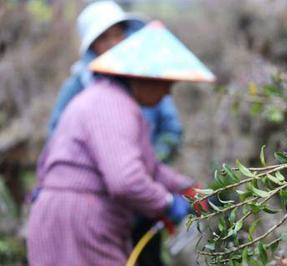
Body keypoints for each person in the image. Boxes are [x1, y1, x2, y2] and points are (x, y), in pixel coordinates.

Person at [27, 21, 215, 266]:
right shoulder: (112, 106)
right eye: (166, 83)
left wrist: (187, 188)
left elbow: (148, 167)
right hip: (77, 219)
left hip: (72, 216)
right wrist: (168, 204)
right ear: (144, 77)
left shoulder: (115, 102)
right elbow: (125, 181)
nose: (168, 92)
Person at [45, 2, 182, 265]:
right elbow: (58, 140)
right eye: (103, 37)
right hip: (100, 205)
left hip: (140, 199)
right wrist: (164, 200)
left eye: (118, 33)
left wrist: (174, 184)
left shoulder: (143, 83)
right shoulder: (91, 92)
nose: (113, 42)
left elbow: (169, 131)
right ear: (92, 45)